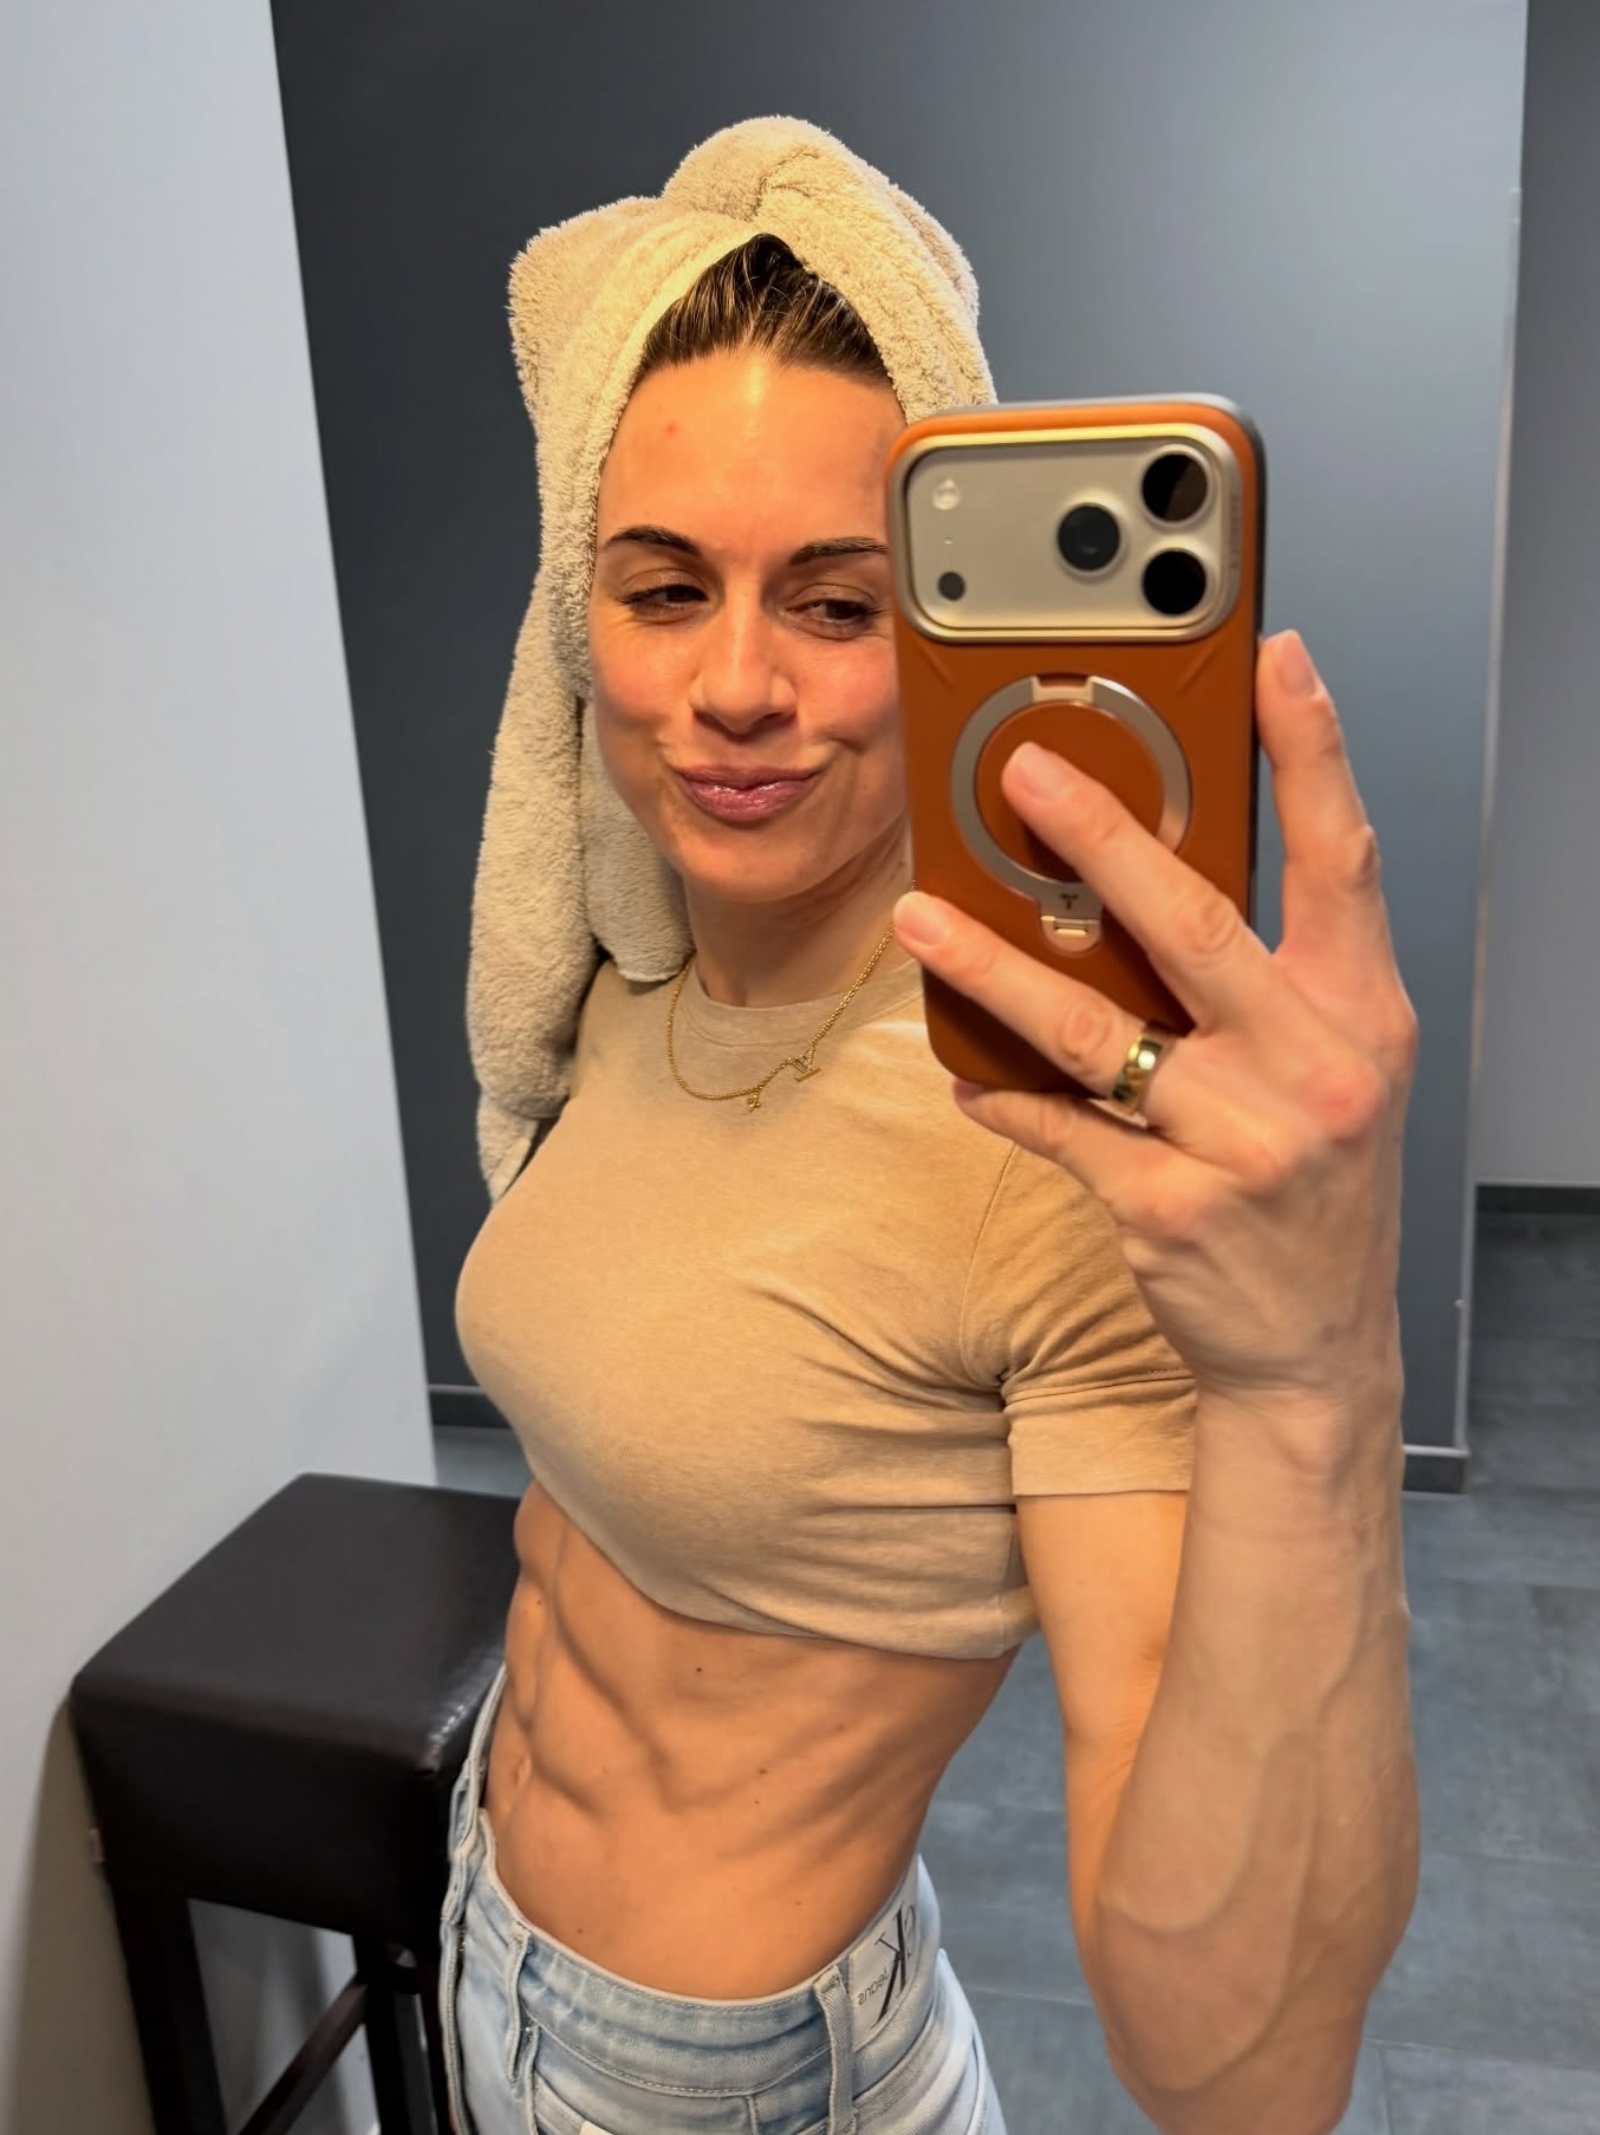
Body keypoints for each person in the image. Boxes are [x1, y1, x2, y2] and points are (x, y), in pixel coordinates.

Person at [443, 120, 1421, 2135]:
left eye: (836, 605)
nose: (733, 686)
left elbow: (1242, 2076)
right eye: (662, 589)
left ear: (960, 641)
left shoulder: (1048, 1140)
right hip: (485, 1930)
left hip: (719, 2081)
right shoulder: (628, 987)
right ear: (573, 622)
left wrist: (1310, 1376)